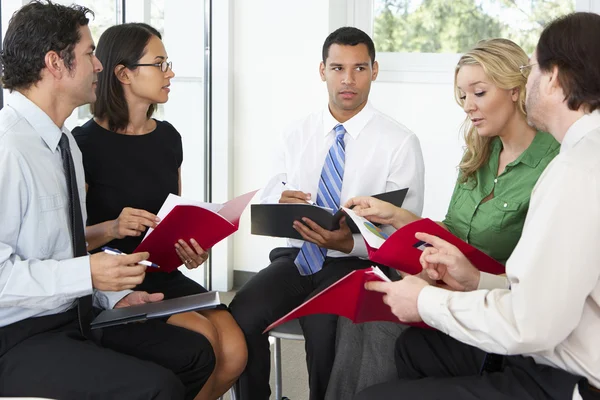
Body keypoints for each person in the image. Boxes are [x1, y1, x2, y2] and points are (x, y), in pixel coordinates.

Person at [356, 12, 600, 400]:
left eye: (532, 67)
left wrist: (427, 301)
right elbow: (542, 290)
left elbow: (530, 322)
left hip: (560, 370)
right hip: (529, 329)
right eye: (462, 95)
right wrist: (468, 278)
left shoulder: (570, 169)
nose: (527, 75)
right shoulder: (501, 154)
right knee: (410, 348)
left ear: (552, 78)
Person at [0, 2, 215, 399]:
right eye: (88, 54)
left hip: (74, 312)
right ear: (55, 63)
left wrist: (113, 293)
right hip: (17, 333)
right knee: (158, 387)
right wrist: (89, 277)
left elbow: (64, 252)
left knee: (196, 355)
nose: (99, 65)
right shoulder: (8, 149)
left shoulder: (64, 144)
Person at [325, 37, 560, 399]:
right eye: (463, 96)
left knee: (383, 325)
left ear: (515, 90)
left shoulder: (554, 164)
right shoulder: (480, 153)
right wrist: (399, 217)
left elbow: (538, 278)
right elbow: (453, 228)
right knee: (363, 304)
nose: (468, 106)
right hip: (448, 286)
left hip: (492, 307)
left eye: (479, 93)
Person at [229, 26, 426, 400]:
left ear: (375, 70)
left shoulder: (400, 142)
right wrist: (279, 198)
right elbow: (271, 191)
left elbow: (403, 234)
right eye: (337, 68)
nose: (347, 80)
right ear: (322, 71)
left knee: (325, 331)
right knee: (241, 313)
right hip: (298, 257)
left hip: (353, 264)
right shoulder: (296, 132)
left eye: (359, 68)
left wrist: (348, 243)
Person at [72, 22, 246, 400]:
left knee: (234, 350)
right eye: (160, 64)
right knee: (204, 340)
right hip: (114, 282)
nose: (170, 73)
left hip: (161, 272)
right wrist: (113, 227)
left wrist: (192, 249)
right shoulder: (82, 144)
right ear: (124, 73)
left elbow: (171, 217)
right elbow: (68, 242)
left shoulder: (168, 138)